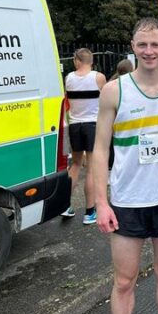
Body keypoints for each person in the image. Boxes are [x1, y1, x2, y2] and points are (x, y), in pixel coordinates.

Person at [92, 18, 158, 314]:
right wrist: (101, 202)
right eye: (142, 45)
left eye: (155, 45)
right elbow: (99, 150)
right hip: (127, 200)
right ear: (133, 47)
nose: (149, 51)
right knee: (124, 281)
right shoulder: (113, 91)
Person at [61, 48, 107, 224]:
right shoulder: (98, 77)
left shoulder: (69, 78)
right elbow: (105, 100)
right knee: (92, 168)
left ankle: (65, 206)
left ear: (76, 60)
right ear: (91, 61)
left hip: (74, 125)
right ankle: (89, 212)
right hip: (93, 125)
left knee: (76, 165)